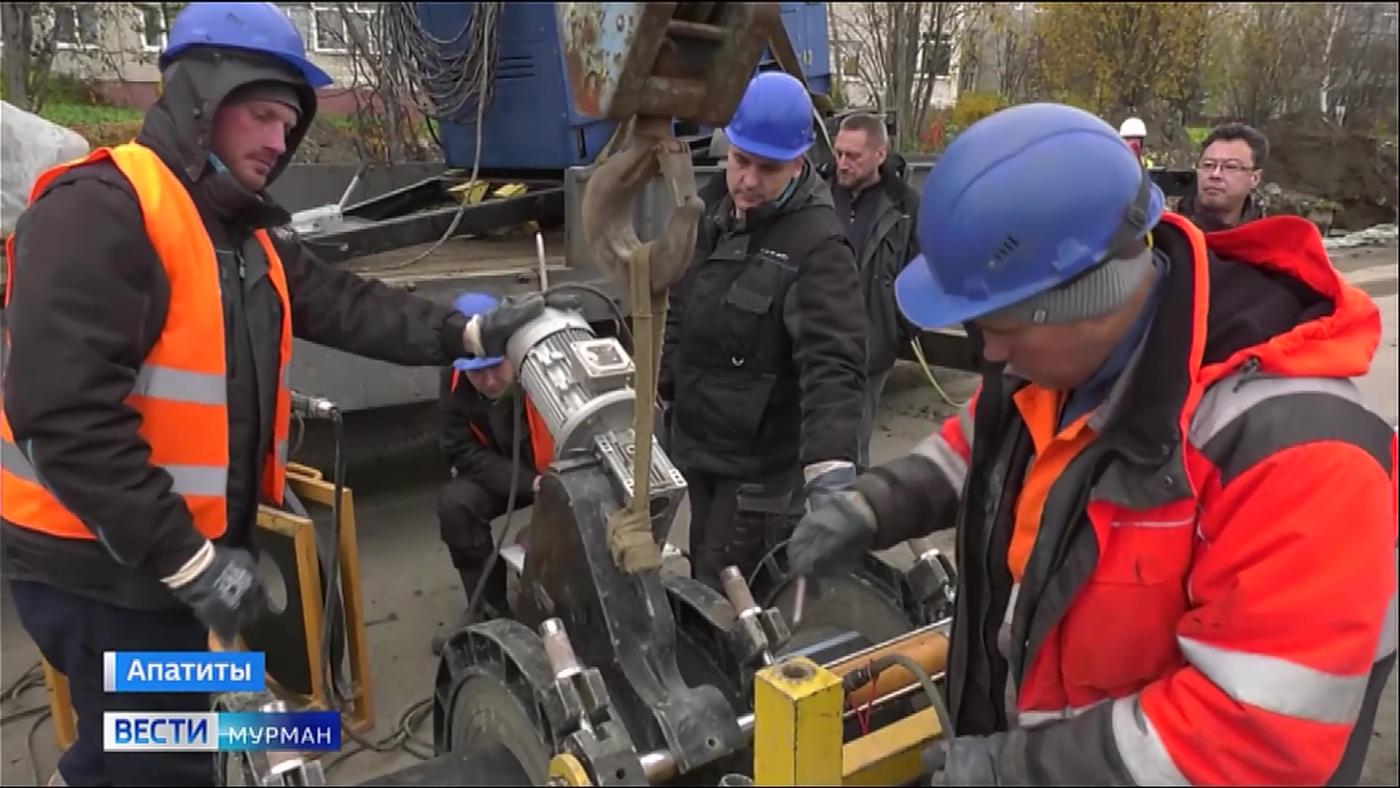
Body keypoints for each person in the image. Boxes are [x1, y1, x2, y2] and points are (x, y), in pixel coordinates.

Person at [0, 4, 543, 785]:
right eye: (260, 115)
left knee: (215, 731)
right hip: (102, 576)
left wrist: (466, 337)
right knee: (154, 756)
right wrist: (188, 564)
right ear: (199, 100)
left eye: (287, 125)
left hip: (178, 561)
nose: (276, 141)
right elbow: (63, 418)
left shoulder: (240, 238)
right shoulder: (101, 211)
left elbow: (351, 303)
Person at [788, 103, 1397, 785]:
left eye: (998, 325)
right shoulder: (1058, 363)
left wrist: (1017, 770)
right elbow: (983, 445)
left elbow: (1254, 735)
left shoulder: (1297, 454)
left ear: (1083, 300)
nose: (989, 351)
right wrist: (877, 504)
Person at [659, 71, 867, 590]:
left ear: (799, 164)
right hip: (700, 454)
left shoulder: (817, 247)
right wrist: (661, 395)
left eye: (767, 168)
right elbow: (682, 313)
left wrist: (832, 482)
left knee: (729, 600)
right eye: (740, 161)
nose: (748, 180)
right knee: (701, 568)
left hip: (758, 479)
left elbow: (833, 365)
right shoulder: (711, 216)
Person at [430, 292, 554, 655]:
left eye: (494, 368)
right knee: (457, 505)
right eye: (475, 373)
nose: (487, 381)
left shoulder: (543, 371)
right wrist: (527, 482)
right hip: (509, 473)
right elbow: (460, 450)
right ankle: (488, 609)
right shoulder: (453, 382)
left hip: (557, 468)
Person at [828, 112, 920, 468]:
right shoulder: (815, 193)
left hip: (867, 351)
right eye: (839, 153)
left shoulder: (905, 208)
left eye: (853, 156)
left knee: (849, 448)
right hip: (809, 339)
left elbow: (922, 274)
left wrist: (896, 328)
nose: (842, 164)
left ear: (880, 155)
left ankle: (845, 518)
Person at [1177, 121, 1268, 231]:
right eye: (1208, 165)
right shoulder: (1168, 231)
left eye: (1231, 167)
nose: (1215, 174)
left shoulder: (1267, 238)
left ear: (1255, 178)